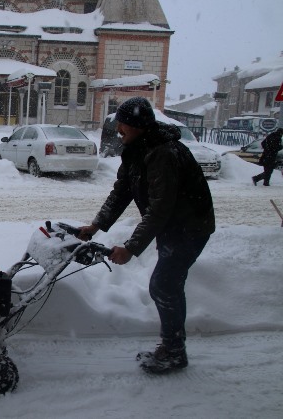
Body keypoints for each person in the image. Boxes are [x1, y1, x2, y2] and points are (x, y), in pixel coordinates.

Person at [78, 97, 215, 374]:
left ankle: (174, 352)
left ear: (137, 125)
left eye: (122, 122)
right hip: (173, 226)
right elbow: (122, 191)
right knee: (167, 284)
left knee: (164, 285)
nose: (118, 128)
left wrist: (130, 248)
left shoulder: (163, 153)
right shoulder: (137, 149)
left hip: (190, 227)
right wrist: (95, 226)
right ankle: (173, 347)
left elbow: (159, 208)